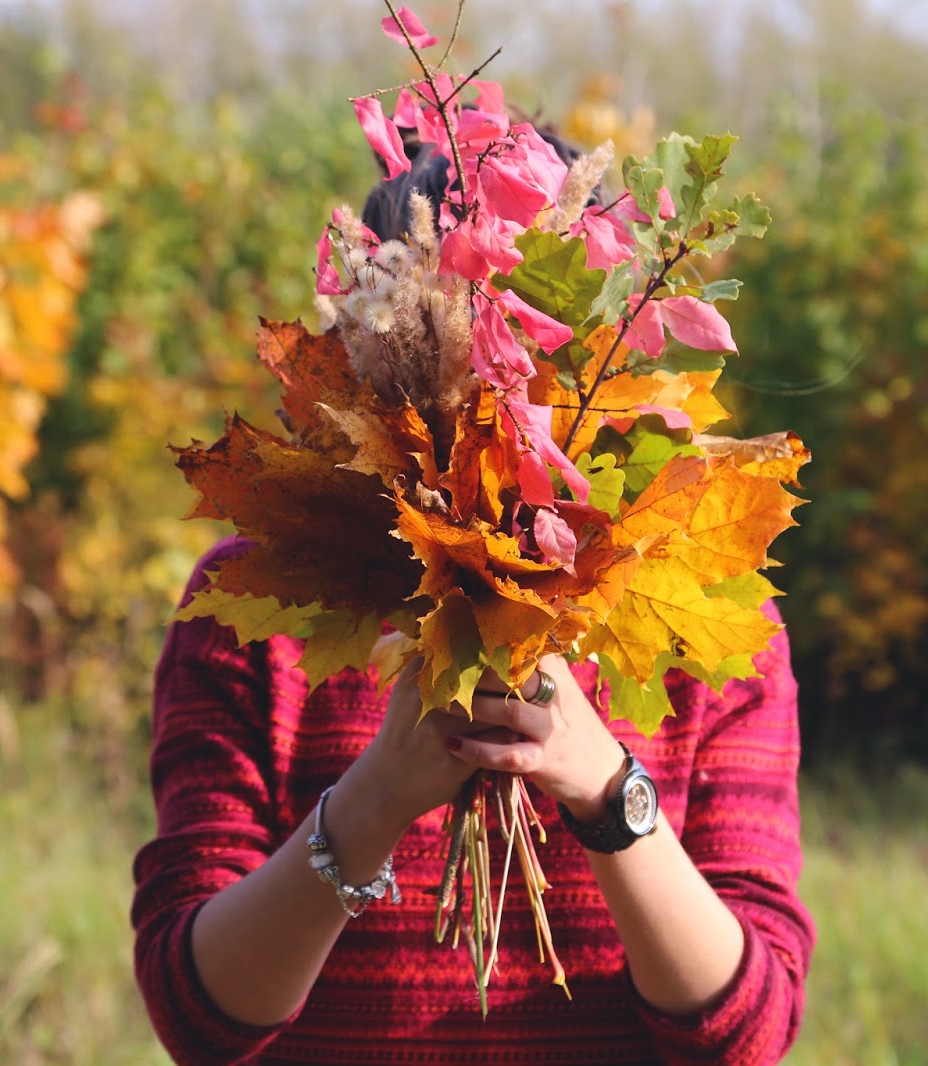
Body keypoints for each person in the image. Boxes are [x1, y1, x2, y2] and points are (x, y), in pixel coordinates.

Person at [131, 146, 816, 1066]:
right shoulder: (253, 603)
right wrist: (375, 801)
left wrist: (608, 792)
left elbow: (750, 1035)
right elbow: (198, 1017)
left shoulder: (705, 610)